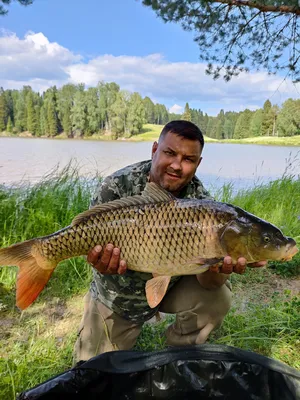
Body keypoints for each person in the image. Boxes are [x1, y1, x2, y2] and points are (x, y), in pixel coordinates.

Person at [74, 120, 266, 362]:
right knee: (91, 373)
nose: (177, 165)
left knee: (218, 296)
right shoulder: (115, 187)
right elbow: (86, 242)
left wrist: (220, 268)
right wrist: (98, 261)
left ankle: (177, 357)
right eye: (170, 153)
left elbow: (209, 283)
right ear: (155, 150)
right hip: (118, 297)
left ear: (198, 163)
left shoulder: (205, 205)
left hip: (171, 287)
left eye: (188, 159)